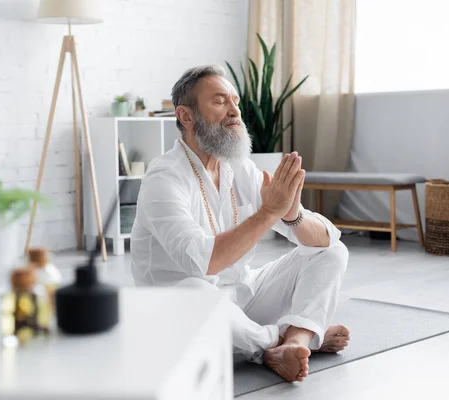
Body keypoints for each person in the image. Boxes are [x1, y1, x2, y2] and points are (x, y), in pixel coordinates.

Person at [130, 64, 350, 383]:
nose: (235, 111)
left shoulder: (239, 167)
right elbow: (203, 262)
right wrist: (268, 212)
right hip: (183, 312)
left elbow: (324, 239)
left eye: (235, 101)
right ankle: (282, 340)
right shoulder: (164, 178)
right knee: (193, 292)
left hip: (240, 299)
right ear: (186, 116)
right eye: (220, 101)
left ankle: (295, 341)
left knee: (332, 252)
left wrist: (291, 214)